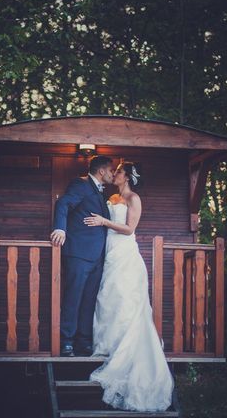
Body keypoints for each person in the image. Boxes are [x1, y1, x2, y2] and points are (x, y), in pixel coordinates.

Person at [83, 162, 174, 412]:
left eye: (120, 171)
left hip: (124, 252)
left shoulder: (134, 199)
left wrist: (103, 221)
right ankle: (107, 343)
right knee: (107, 297)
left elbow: (129, 229)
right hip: (109, 251)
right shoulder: (110, 196)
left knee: (123, 297)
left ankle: (124, 347)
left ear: (128, 177)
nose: (116, 173)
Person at [51, 155, 114, 357]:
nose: (113, 174)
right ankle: (66, 341)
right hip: (78, 253)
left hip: (97, 256)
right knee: (73, 297)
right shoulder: (82, 184)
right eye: (111, 170)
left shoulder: (101, 192)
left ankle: (83, 342)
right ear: (102, 171)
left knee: (88, 300)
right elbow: (63, 205)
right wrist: (60, 229)